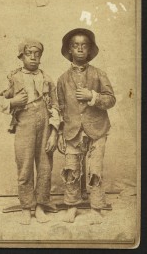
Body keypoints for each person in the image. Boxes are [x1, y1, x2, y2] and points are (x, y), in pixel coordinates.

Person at [0, 39, 60, 225]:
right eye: (28, 53)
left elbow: (55, 105)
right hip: (24, 123)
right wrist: (13, 102)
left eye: (37, 53)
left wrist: (54, 132)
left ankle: (40, 206)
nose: (33, 57)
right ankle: (26, 208)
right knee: (24, 167)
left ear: (41, 56)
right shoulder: (14, 78)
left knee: (45, 166)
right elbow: (0, 98)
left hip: (45, 123)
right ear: (21, 56)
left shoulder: (47, 78)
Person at [57, 28, 116, 223]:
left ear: (90, 50)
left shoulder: (99, 74)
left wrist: (93, 96)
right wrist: (59, 134)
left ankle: (97, 208)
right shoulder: (62, 79)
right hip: (72, 131)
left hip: (97, 129)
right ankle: (72, 206)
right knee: (71, 169)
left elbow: (111, 100)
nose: (80, 49)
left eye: (84, 45)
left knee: (95, 169)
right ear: (69, 50)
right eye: (75, 45)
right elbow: (60, 108)